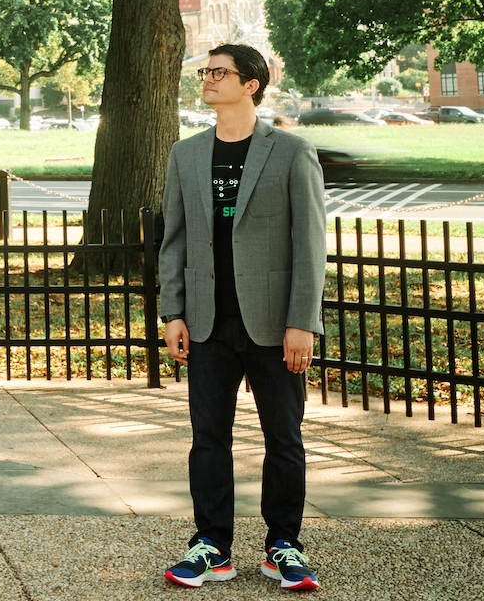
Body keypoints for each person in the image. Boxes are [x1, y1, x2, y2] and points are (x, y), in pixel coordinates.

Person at [159, 43, 326, 592]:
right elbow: (174, 241)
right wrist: (173, 311)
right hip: (207, 324)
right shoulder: (186, 155)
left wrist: (303, 321)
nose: (207, 79)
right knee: (208, 438)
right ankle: (211, 546)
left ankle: (284, 547)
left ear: (251, 84)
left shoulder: (291, 152)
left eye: (219, 72)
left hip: (275, 325)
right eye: (205, 71)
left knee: (284, 437)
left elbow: (310, 244)